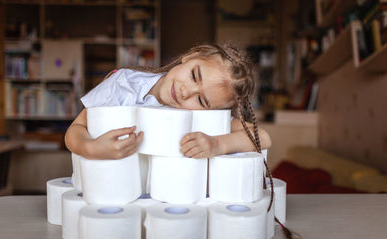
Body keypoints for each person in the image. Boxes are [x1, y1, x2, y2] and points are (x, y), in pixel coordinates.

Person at [64, 43, 271, 160]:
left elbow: (262, 137)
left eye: (201, 99)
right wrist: (90, 148)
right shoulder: (123, 83)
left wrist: (217, 144)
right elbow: (76, 129)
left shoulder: (197, 116)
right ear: (191, 56)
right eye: (194, 76)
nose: (185, 92)